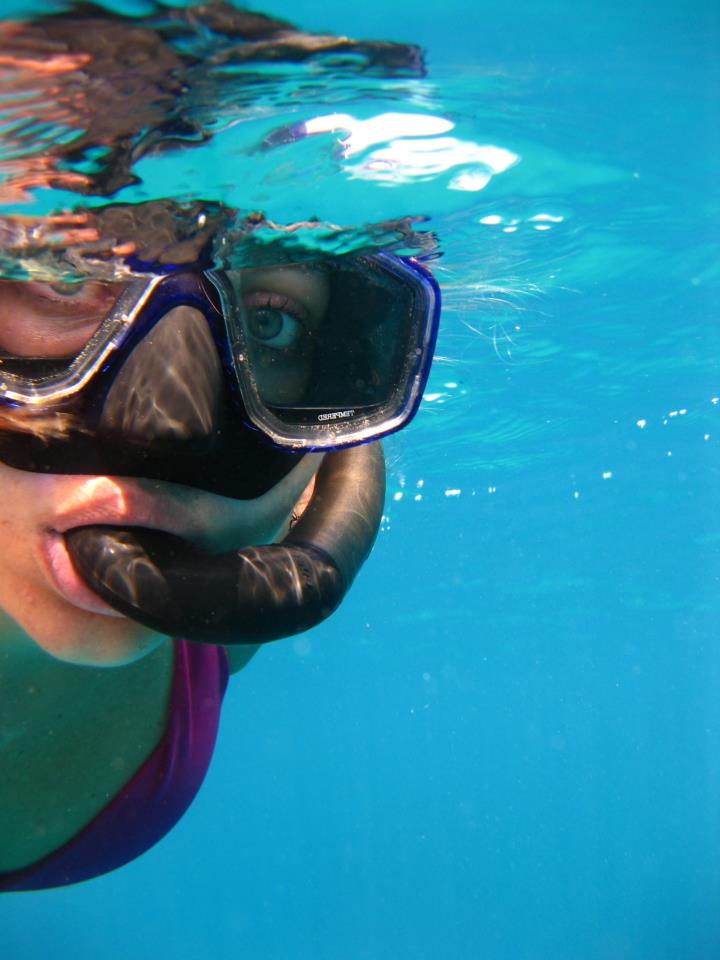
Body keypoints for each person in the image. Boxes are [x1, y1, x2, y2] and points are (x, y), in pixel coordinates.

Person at [0, 3, 440, 892]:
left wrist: (322, 554)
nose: (171, 429)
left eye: (273, 322)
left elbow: (338, 450)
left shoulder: (223, 608)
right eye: (59, 276)